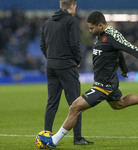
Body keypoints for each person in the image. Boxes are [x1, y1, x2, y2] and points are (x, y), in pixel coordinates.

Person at [39, 11, 138, 149]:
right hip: (107, 82)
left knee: (75, 107)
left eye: (92, 28)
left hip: (104, 84)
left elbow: (128, 47)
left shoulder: (113, 36)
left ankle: (53, 141)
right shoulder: (101, 35)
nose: (90, 30)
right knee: (119, 104)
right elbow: (117, 52)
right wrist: (123, 68)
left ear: (100, 25)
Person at [40, 0, 93, 145]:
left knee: (52, 103)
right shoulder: (71, 21)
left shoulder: (47, 22)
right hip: (67, 66)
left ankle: (46, 136)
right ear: (72, 6)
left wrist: (51, 58)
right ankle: (78, 138)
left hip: (51, 66)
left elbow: (42, 45)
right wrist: (77, 60)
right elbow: (75, 44)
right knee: (77, 103)